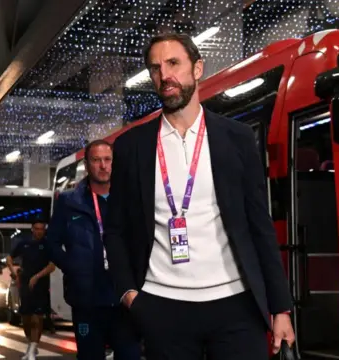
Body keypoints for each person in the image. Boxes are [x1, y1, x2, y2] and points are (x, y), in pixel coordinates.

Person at [103, 32, 296, 360]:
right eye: (155, 68)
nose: (165, 75)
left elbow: (259, 225)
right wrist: (129, 293)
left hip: (237, 307)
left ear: (197, 69)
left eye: (174, 63)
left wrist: (281, 308)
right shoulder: (131, 147)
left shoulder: (236, 138)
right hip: (163, 309)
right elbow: (116, 229)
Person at [46, 140, 141, 360]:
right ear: (87, 165)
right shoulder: (70, 202)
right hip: (87, 299)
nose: (103, 166)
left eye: (108, 160)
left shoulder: (128, 199)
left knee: (130, 355)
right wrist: (73, 267)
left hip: (125, 298)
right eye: (96, 160)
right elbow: (51, 244)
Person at [6, 220, 56, 360]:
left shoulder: (48, 244)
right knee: (26, 319)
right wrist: (13, 271)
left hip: (41, 286)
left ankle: (33, 349)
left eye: (42, 228)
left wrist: (37, 276)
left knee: (37, 318)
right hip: (25, 285)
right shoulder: (24, 243)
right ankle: (31, 344)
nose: (39, 231)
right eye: (37, 228)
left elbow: (52, 266)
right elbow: (9, 258)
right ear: (32, 229)